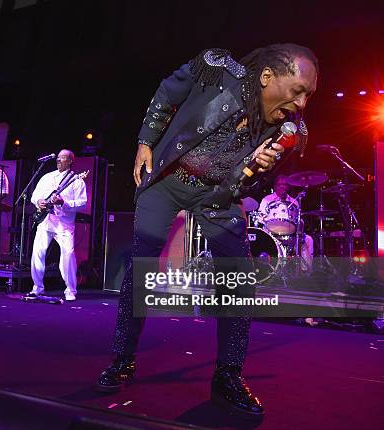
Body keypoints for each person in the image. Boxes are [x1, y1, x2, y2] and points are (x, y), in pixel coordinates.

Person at [95, 44, 318, 418]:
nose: (301, 103)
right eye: (297, 90)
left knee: (238, 280)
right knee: (143, 267)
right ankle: (123, 358)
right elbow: (168, 91)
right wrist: (146, 141)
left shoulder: (286, 130)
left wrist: (264, 166)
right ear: (267, 77)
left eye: (308, 95)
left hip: (217, 196)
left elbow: (258, 179)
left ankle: (228, 375)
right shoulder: (217, 71)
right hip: (168, 179)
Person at [28, 149, 87, 301]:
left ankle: (70, 290)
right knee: (38, 252)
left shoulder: (76, 180)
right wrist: (38, 201)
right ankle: (37, 288)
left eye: (63, 158)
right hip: (46, 219)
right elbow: (34, 196)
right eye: (58, 158)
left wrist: (63, 202)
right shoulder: (47, 177)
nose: (59, 160)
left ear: (70, 161)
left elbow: (82, 203)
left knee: (68, 254)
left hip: (64, 223)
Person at [258, 175, 314, 271]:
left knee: (308, 239)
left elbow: (297, 220)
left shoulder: (294, 202)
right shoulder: (267, 200)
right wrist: (265, 219)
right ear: (275, 186)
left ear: (288, 186)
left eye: (285, 184)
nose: (283, 187)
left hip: (290, 233)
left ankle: (305, 271)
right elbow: (259, 217)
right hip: (272, 232)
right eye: (280, 184)